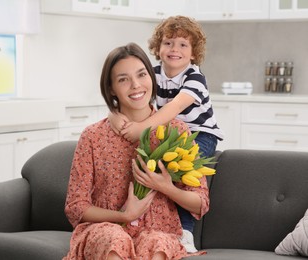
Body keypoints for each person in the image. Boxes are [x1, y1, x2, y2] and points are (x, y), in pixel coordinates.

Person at [63, 42, 209, 260]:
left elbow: (201, 202)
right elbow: (76, 206)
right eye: (123, 79)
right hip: (105, 229)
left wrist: (166, 187)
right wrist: (125, 215)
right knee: (116, 240)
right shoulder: (93, 136)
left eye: (142, 75)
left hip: (158, 231)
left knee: (156, 244)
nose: (135, 85)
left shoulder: (176, 132)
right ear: (111, 88)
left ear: (151, 77)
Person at [108, 16, 224, 252]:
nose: (174, 49)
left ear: (193, 53)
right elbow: (129, 99)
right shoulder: (151, 73)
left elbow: (173, 109)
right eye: (168, 43)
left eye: (183, 45)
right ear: (158, 48)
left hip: (199, 134)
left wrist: (141, 127)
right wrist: (115, 117)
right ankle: (137, 221)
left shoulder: (195, 78)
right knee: (148, 167)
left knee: (181, 174)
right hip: (164, 134)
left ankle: (186, 233)